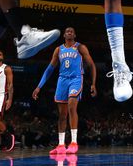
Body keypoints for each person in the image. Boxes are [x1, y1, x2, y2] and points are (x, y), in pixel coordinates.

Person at [33, 27, 97, 155]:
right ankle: (61, 145)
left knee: (72, 107)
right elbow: (50, 69)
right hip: (62, 81)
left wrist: (93, 84)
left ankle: (73, 142)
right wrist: (39, 86)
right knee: (62, 115)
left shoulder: (80, 48)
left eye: (72, 31)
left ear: (75, 35)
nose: (69, 32)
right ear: (63, 35)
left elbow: (91, 65)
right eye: (67, 31)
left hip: (76, 79)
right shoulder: (58, 49)